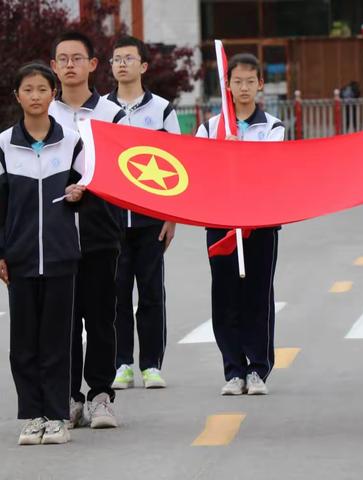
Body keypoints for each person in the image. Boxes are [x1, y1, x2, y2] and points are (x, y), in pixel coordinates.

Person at [0, 62, 85, 445]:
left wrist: (79, 193)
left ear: (53, 94)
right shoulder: (2, 145)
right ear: (16, 96)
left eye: (41, 89)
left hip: (60, 257)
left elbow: (89, 188)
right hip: (18, 260)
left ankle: (57, 416)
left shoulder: (71, 141)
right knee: (23, 344)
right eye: (27, 89)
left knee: (57, 341)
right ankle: (32, 415)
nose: (35, 96)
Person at [49, 31, 126, 429]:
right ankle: (68, 396)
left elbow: (127, 170)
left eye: (77, 58)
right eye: (63, 59)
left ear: (93, 65)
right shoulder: (44, 113)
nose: (70, 65)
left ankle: (100, 395)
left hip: (100, 228)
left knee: (99, 317)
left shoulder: (112, 114)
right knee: (64, 317)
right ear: (53, 67)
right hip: (58, 230)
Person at [196, 53, 285, 396]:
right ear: (227, 85)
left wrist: (240, 154)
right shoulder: (210, 127)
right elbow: (201, 170)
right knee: (225, 294)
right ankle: (233, 369)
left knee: (258, 294)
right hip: (221, 220)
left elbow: (270, 169)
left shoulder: (273, 126)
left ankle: (258, 369)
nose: (244, 88)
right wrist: (223, 154)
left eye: (251, 81)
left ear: (260, 84)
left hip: (261, 222)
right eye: (238, 82)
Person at [105, 35, 179, 390]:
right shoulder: (102, 110)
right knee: (116, 292)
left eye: (128, 58)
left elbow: (179, 166)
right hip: (111, 219)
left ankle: (151, 364)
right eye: (116, 59)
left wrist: (171, 216)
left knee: (151, 293)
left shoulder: (162, 110)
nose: (122, 64)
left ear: (143, 66)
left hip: (151, 219)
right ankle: (122, 364)